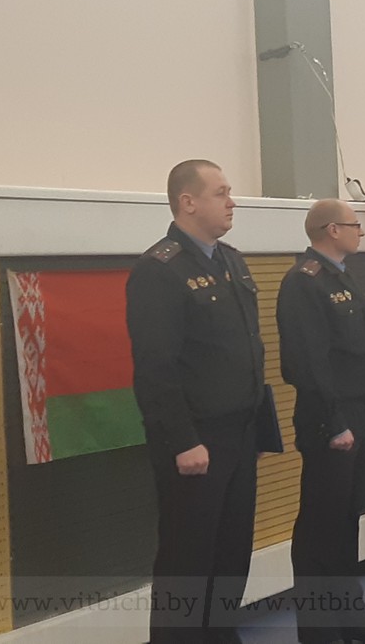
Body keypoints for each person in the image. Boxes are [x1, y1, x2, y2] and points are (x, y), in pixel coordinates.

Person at [126, 160, 266, 643]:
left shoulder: (231, 260)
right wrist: (183, 440)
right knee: (187, 562)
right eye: (220, 192)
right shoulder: (159, 270)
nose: (232, 202)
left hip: (239, 434)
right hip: (196, 439)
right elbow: (156, 368)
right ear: (188, 202)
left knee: (231, 555)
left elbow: (244, 348)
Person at [276, 200, 365, 643]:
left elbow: (362, 355)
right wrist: (334, 423)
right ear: (332, 229)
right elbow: (306, 362)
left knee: (347, 523)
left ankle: (352, 621)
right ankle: (319, 632)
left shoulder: (341, 276)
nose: (360, 232)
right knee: (320, 529)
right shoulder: (304, 281)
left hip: (360, 413)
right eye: (355, 225)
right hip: (330, 419)